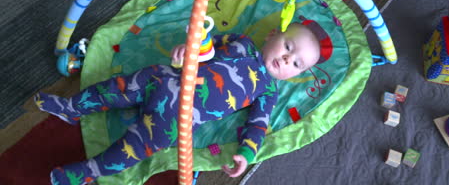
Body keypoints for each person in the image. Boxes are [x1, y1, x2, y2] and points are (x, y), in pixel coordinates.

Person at [35, 15, 333, 185]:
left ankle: (88, 172)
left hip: (176, 118)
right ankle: (74, 108)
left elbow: (258, 126)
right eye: (288, 46)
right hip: (162, 78)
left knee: (133, 148)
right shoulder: (240, 42)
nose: (286, 58)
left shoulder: (268, 90)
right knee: (114, 87)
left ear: (295, 76)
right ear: (272, 35)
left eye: (296, 64)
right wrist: (186, 47)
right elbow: (205, 44)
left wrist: (247, 153)